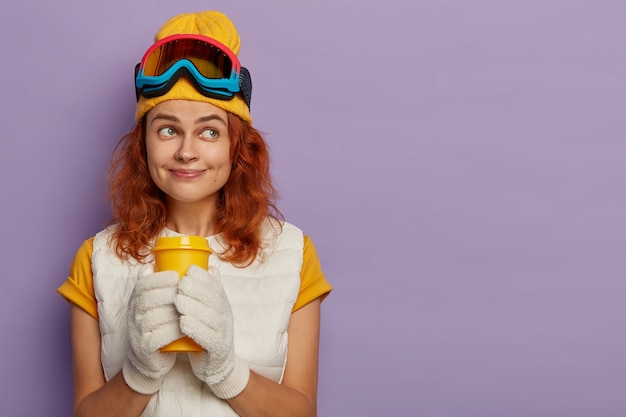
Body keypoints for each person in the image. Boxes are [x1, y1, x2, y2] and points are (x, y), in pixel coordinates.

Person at [57, 10, 332, 417]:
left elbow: (302, 412)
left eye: (209, 131)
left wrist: (225, 370)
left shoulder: (292, 254)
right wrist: (139, 374)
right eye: (167, 129)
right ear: (143, 144)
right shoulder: (96, 260)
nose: (187, 151)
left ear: (237, 146)